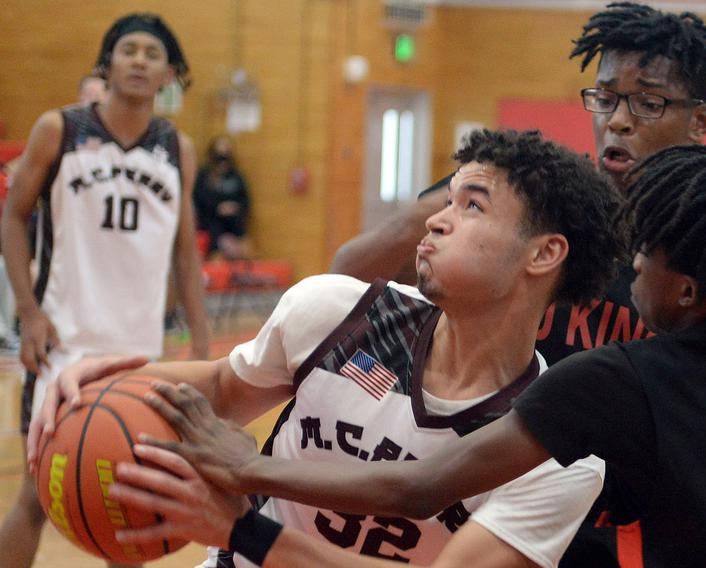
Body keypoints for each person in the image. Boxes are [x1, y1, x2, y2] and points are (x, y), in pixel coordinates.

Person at [105, 145, 706, 568]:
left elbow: (418, 488)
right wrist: (117, 375)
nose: (633, 267)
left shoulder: (611, 393)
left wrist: (243, 491)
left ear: (686, 292)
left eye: (647, 251)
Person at [34, 129, 625, 568]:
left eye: (472, 205)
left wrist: (246, 531)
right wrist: (101, 385)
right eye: (445, 203)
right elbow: (218, 392)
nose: (437, 222)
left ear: (543, 254)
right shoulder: (339, 312)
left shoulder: (559, 452)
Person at [331, 4, 706, 565]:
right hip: (490, 493)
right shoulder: (535, 204)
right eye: (604, 97)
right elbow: (349, 271)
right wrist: (465, 200)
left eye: (647, 102)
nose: (617, 119)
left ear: (701, 120)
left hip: (626, 521)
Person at [0, 12, 209, 568]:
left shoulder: (177, 148)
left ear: (169, 74)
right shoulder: (60, 130)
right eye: (128, 50)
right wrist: (28, 311)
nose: (140, 59)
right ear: (108, 63)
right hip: (63, 346)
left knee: (129, 507)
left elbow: (186, 257)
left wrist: (207, 352)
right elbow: (13, 217)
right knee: (34, 497)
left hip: (140, 356)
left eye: (152, 53)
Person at [193, 135, 252, 259]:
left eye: (226, 152)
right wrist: (218, 208)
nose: (223, 158)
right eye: (219, 154)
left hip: (234, 223)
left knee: (246, 248)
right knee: (217, 249)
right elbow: (199, 199)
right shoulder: (204, 175)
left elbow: (245, 200)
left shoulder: (236, 175)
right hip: (211, 223)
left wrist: (235, 207)